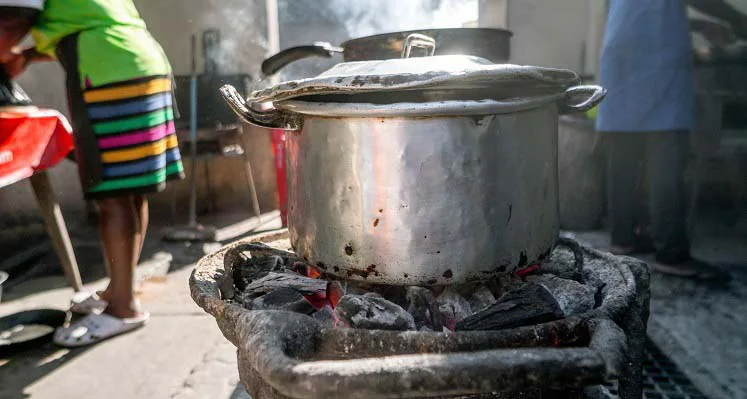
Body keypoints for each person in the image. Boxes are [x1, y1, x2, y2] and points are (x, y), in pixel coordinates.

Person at [1, 0, 184, 346]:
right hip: (143, 61)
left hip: (107, 74)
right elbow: (84, 25)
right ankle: (119, 290)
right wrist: (25, 56)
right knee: (132, 189)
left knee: (111, 194)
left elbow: (8, 26)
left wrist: (10, 54)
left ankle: (123, 309)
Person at [596, 0, 747, 280]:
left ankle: (623, 237)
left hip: (619, 56)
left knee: (622, 157)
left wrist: (697, 25)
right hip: (657, 57)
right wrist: (737, 19)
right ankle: (671, 253)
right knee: (665, 154)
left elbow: (641, 11)